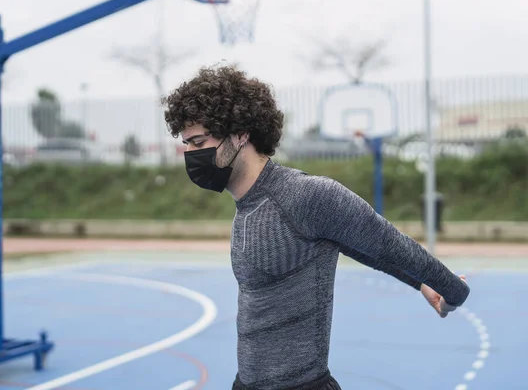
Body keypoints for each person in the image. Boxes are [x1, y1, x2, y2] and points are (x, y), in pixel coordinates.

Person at [162, 64, 470, 390]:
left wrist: (451, 290)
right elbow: (353, 246)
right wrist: (417, 283)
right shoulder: (247, 206)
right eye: (187, 145)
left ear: (240, 134)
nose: (191, 155)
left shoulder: (305, 195)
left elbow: (385, 243)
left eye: (198, 142)